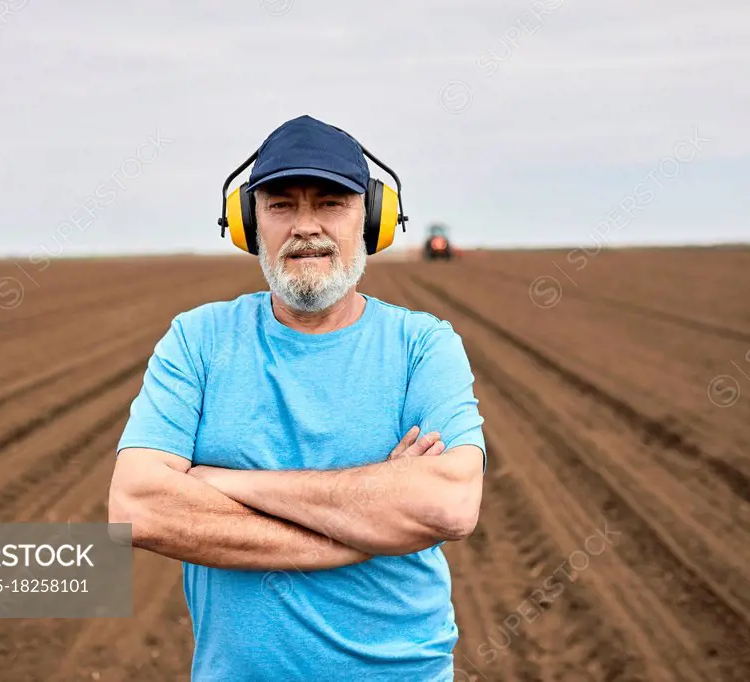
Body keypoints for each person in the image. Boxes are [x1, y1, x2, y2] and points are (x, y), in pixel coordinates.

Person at [108, 114, 486, 681]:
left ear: (373, 220)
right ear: (248, 224)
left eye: (331, 202)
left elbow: (449, 504)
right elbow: (136, 509)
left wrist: (226, 481)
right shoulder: (197, 339)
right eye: (281, 205)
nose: (305, 226)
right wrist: (358, 533)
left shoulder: (423, 345)